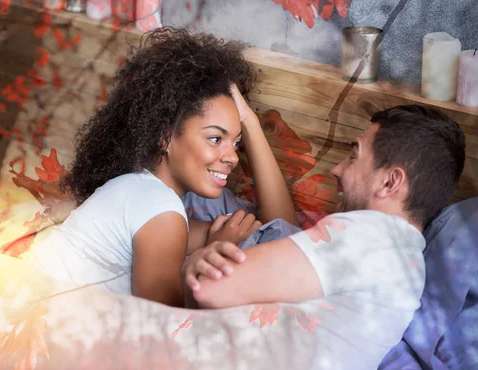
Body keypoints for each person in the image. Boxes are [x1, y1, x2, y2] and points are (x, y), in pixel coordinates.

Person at [181, 104, 466, 370]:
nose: (336, 169)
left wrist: (207, 254)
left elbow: (209, 288)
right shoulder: (408, 267)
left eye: (354, 155)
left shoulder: (369, 236)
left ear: (390, 181)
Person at [32, 28, 297, 307]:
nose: (231, 157)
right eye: (216, 138)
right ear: (165, 136)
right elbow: (162, 326)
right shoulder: (159, 206)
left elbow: (282, 234)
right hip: (36, 328)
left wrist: (250, 122)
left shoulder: (138, 188)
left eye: (236, 143)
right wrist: (214, 255)